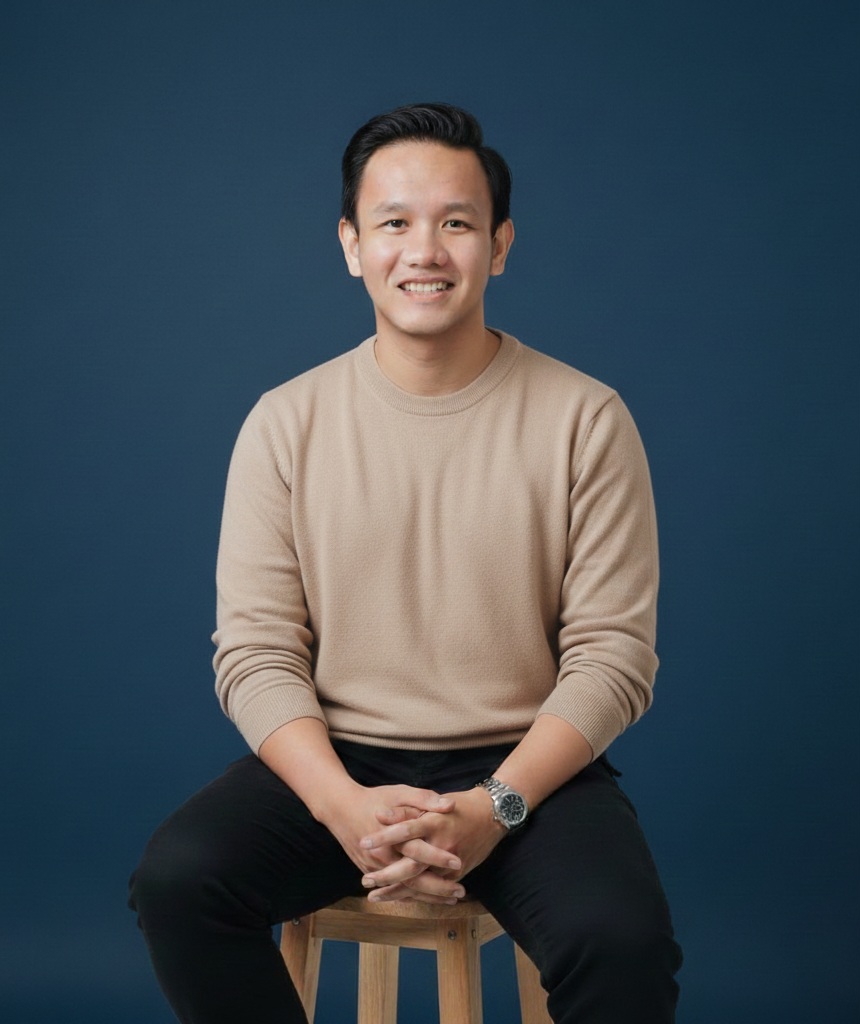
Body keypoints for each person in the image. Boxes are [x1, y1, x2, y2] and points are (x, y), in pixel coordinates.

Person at [129, 102, 682, 1023]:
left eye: (456, 223)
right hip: (339, 759)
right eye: (394, 223)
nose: (424, 251)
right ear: (352, 245)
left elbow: (614, 659)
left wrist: (493, 809)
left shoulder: (586, 418)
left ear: (499, 246)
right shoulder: (285, 423)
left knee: (621, 945)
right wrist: (340, 805)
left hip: (527, 768)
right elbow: (257, 652)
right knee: (179, 884)